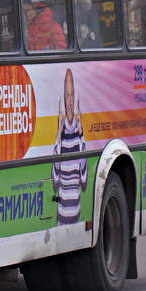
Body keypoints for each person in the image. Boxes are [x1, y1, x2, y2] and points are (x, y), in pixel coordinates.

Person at [52, 68, 88, 226]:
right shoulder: (59, 137)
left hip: (76, 215)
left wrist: (80, 134)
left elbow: (84, 179)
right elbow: (54, 180)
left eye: (72, 94)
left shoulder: (80, 136)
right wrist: (59, 135)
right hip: (61, 216)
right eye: (67, 95)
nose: (70, 101)